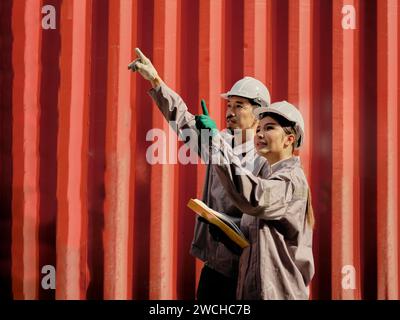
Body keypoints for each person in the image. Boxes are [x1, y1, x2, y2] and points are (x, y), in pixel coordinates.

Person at [129, 48, 271, 300]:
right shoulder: (219, 139)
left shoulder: (266, 159)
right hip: (215, 265)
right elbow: (182, 120)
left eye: (239, 106)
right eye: (229, 105)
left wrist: (233, 228)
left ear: (259, 114)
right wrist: (155, 81)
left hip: (247, 268)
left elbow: (262, 212)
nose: (230, 112)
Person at [206, 101, 315, 299]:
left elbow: (253, 197)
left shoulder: (290, 180)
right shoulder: (269, 177)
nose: (259, 134)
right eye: (258, 129)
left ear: (289, 139)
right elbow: (259, 234)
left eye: (269, 128)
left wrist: (216, 142)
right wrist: (227, 229)